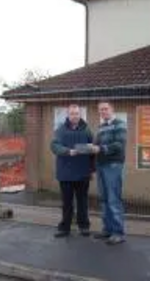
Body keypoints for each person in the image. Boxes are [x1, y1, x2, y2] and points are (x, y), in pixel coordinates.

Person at [51, 104, 94, 238]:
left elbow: (92, 150)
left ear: (80, 115)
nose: (74, 116)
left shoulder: (87, 130)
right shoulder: (60, 130)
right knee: (66, 203)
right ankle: (65, 228)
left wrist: (92, 169)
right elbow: (54, 146)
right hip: (65, 173)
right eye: (72, 114)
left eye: (76, 113)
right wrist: (68, 151)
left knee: (82, 202)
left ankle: (84, 226)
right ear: (68, 115)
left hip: (82, 173)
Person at [90, 101, 127, 245]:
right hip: (101, 165)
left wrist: (101, 149)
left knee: (113, 199)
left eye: (105, 109)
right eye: (100, 110)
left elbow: (119, 144)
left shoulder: (120, 124)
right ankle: (107, 229)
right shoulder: (101, 127)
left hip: (113, 165)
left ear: (112, 109)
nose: (103, 112)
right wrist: (91, 147)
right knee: (104, 199)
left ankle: (118, 232)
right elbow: (97, 144)